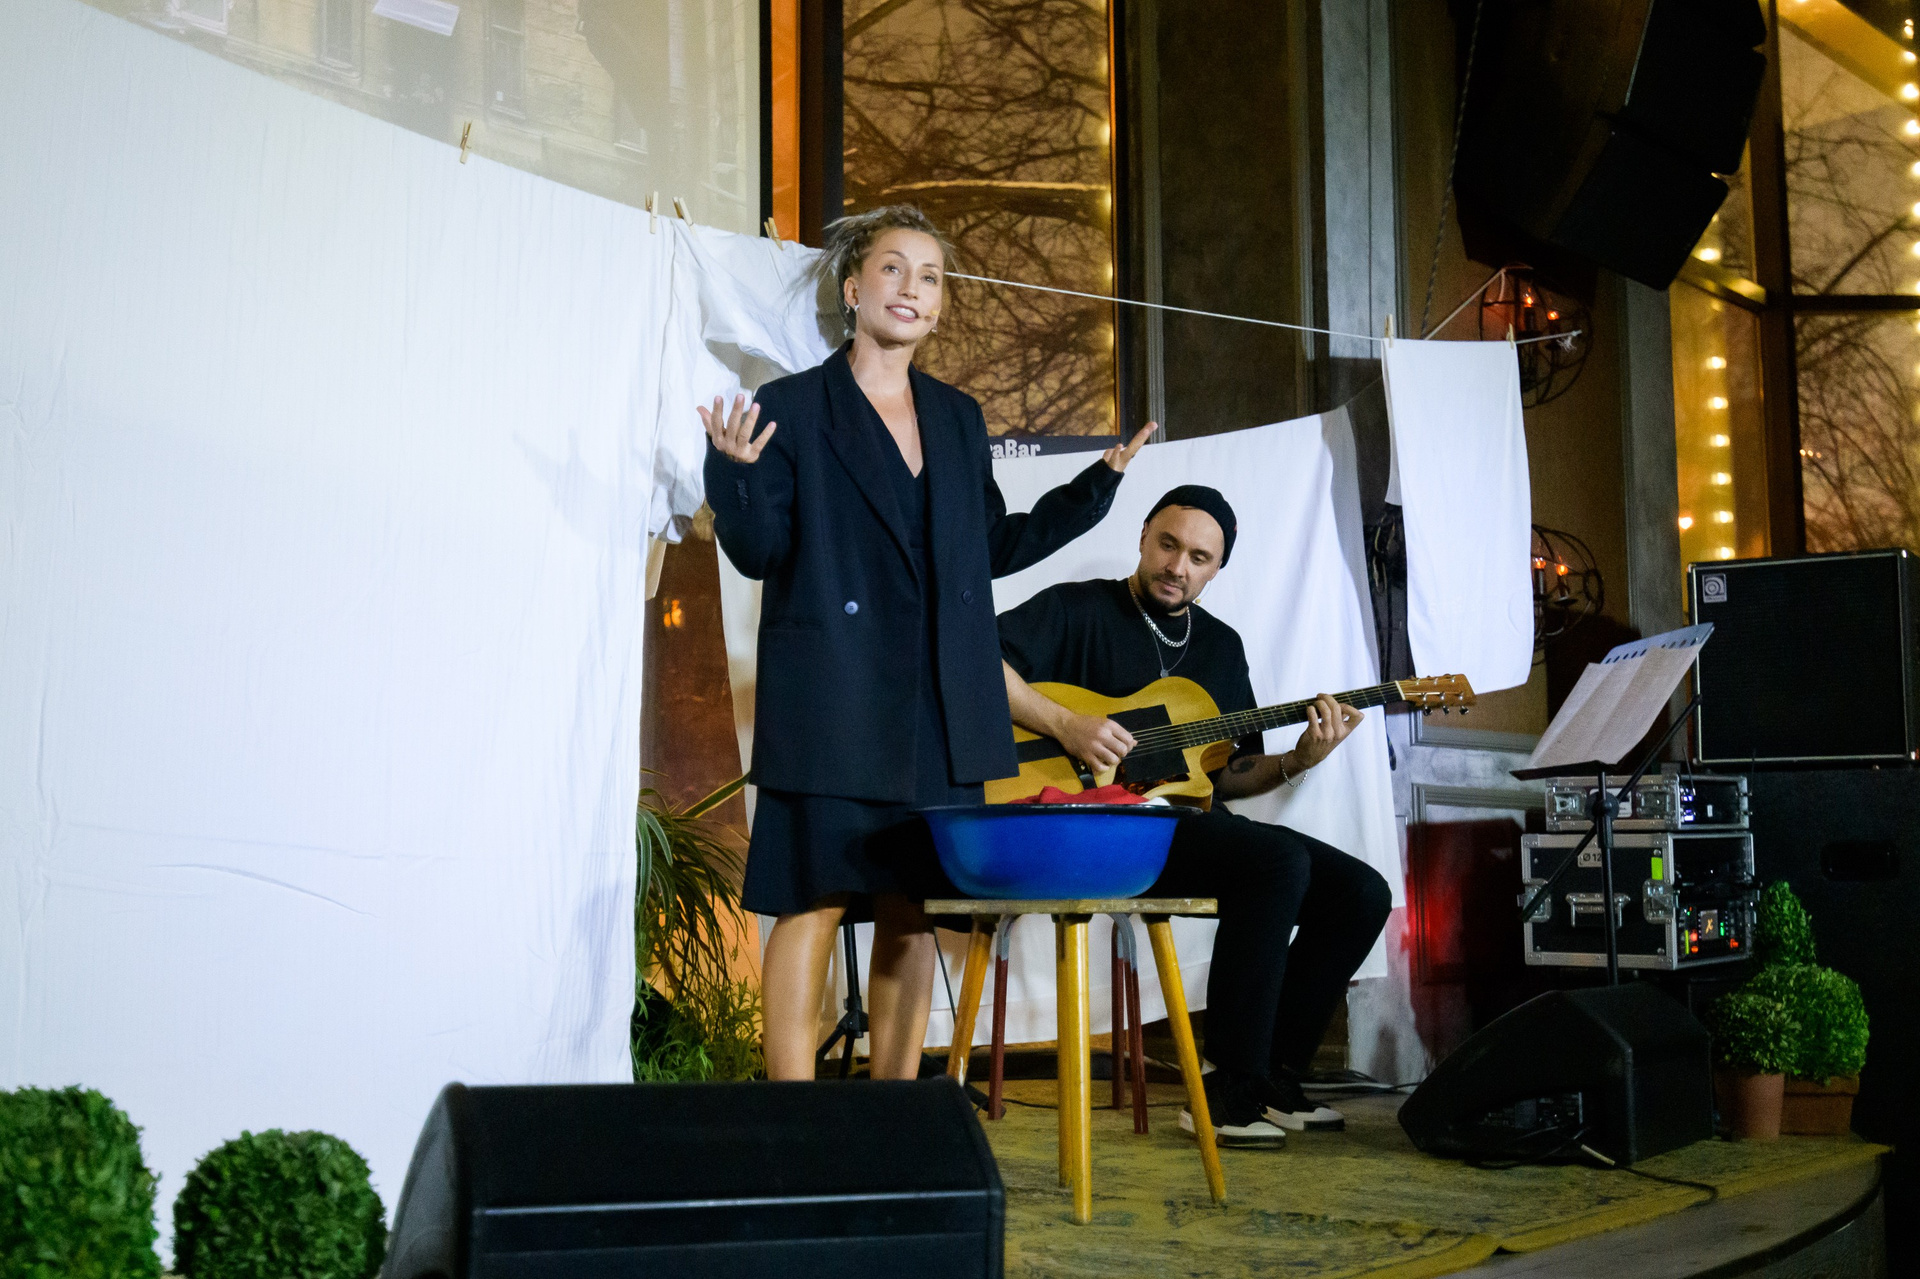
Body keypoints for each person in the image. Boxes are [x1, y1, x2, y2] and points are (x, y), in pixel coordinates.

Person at [701, 205, 1155, 1082]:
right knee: (813, 900)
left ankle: (894, 1112)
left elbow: (988, 547)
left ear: (941, 306)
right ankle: (793, 1113)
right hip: (832, 697)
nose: (912, 288)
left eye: (931, 276)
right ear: (853, 288)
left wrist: (1094, 488)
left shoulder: (956, 416)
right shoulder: (791, 407)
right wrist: (734, 472)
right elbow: (758, 552)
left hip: (938, 710)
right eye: (893, 269)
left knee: (914, 910)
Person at [997, 484, 1393, 1147]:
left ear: (1217, 568)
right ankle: (1224, 1086)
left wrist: (1299, 758)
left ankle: (1274, 1076)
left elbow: (1229, 774)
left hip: (1180, 824)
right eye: (1168, 544)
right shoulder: (1077, 609)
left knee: (1362, 891)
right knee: (1275, 860)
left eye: (1198, 557)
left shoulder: (1220, 648)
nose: (1177, 566)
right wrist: (1066, 725)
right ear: (1144, 536)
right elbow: (976, 656)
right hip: (1091, 828)